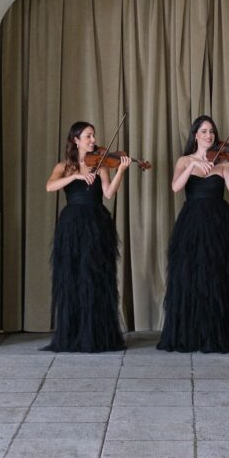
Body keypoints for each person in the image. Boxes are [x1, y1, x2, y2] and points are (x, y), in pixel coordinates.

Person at [157, 114, 229, 353]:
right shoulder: (184, 160)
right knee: (191, 275)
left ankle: (216, 333)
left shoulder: (224, 162)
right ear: (195, 135)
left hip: (218, 223)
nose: (209, 135)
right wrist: (192, 165)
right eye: (204, 131)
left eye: (211, 131)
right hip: (192, 222)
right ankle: (191, 333)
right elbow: (175, 187)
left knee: (217, 276)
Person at [43, 121, 130, 352]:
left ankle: (96, 334)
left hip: (96, 224)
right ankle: (73, 334)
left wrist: (120, 170)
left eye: (93, 136)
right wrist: (75, 178)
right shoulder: (64, 166)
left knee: (96, 278)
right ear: (76, 140)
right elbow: (50, 187)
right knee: (72, 277)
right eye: (88, 136)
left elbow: (109, 194)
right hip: (72, 225)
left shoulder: (101, 165)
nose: (93, 140)